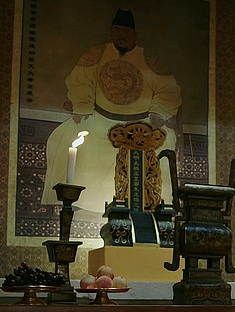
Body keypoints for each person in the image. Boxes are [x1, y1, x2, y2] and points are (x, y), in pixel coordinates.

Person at [41, 7, 182, 221]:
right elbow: (81, 81)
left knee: (165, 141)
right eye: (117, 30)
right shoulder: (96, 53)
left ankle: (155, 206)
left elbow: (168, 90)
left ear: (134, 34)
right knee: (62, 137)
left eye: (125, 32)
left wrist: (158, 112)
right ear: (111, 31)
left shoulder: (149, 58)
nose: (121, 36)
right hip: (99, 120)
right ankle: (74, 202)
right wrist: (83, 105)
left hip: (140, 125)